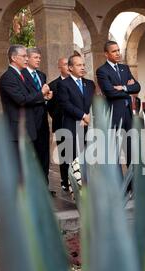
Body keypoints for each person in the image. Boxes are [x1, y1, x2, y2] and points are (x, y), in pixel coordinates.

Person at [0, 45, 52, 176]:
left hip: (28, 127)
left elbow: (28, 97)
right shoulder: (8, 77)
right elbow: (21, 99)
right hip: (18, 129)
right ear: (13, 58)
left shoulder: (19, 75)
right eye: (23, 56)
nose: (26, 59)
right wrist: (41, 93)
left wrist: (44, 97)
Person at [96, 41, 141, 166]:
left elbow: (137, 87)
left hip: (128, 115)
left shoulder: (125, 68)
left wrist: (123, 87)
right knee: (114, 151)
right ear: (106, 54)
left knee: (131, 149)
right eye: (114, 51)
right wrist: (128, 90)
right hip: (114, 115)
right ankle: (118, 182)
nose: (117, 53)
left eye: (118, 50)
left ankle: (131, 183)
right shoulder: (102, 71)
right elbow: (110, 92)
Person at [57, 54, 95, 174]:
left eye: (83, 65)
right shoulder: (63, 84)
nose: (83, 67)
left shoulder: (89, 84)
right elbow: (66, 104)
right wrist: (83, 116)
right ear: (70, 68)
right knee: (74, 159)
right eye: (79, 65)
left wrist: (89, 117)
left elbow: (93, 102)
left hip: (89, 126)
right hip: (72, 126)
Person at [21, 47, 54, 187]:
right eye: (36, 57)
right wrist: (42, 93)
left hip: (42, 121)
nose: (39, 60)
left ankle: (44, 185)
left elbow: (41, 96)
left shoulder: (41, 75)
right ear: (27, 58)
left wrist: (47, 98)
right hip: (28, 121)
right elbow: (25, 98)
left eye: (39, 58)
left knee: (44, 155)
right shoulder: (20, 75)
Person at [48, 57, 71, 191]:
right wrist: (58, 117)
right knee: (64, 153)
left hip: (76, 123)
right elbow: (50, 107)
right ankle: (64, 180)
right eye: (65, 64)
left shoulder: (76, 82)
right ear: (59, 67)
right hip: (61, 124)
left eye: (69, 64)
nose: (68, 66)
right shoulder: (53, 85)